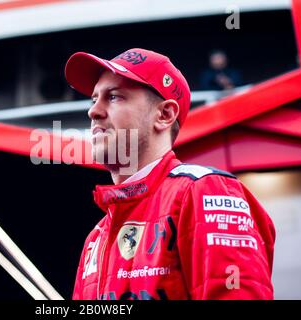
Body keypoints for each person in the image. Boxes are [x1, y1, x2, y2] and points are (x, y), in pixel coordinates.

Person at [64, 48, 275, 300]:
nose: (93, 111)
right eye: (93, 99)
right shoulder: (96, 238)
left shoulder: (204, 190)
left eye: (114, 97)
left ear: (164, 115)